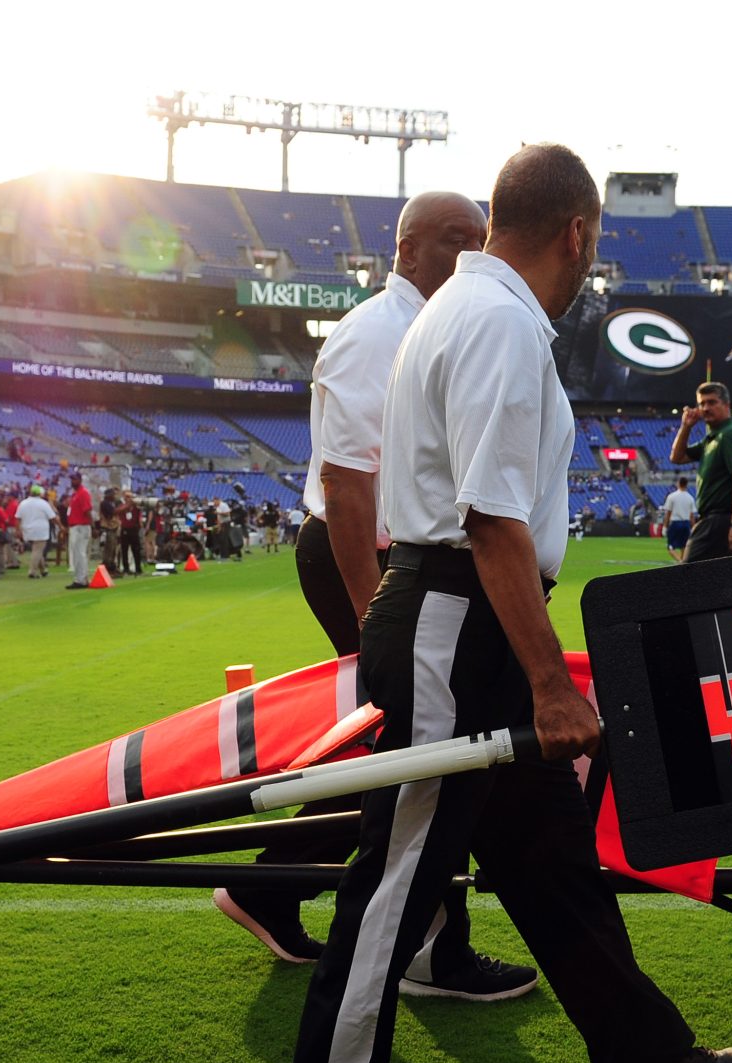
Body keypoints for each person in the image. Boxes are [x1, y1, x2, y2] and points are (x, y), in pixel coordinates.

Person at [271, 144, 732, 1063]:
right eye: (593, 243)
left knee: (548, 854)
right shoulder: (495, 321)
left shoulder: (459, 308)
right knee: (398, 874)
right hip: (459, 617)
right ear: (576, 231)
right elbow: (492, 520)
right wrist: (548, 678)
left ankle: (641, 1055)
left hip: (458, 612)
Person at [221, 188, 532, 1002]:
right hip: (366, 555)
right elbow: (347, 483)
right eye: (453, 239)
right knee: (410, 746)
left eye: (481, 238)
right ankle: (418, 940)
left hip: (402, 561)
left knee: (415, 750)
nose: (470, 252)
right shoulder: (376, 332)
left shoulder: (443, 321)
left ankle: (305, 895)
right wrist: (373, 620)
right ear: (405, 252)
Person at [669, 384, 732, 561]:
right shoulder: (712, 437)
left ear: (726, 405)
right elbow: (677, 457)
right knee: (720, 583)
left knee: (686, 578)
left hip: (719, 520)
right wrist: (686, 426)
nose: (706, 408)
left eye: (712, 402)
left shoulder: (729, 435)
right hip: (714, 520)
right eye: (702, 403)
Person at [15, 484, 58, 577]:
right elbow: (53, 517)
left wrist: (18, 530)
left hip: (27, 530)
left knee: (37, 550)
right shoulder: (43, 503)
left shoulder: (23, 503)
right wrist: (61, 526)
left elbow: (18, 518)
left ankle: (43, 570)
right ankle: (32, 571)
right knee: (37, 551)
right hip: (40, 531)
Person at [64, 472, 94, 588]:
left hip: (81, 526)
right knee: (77, 553)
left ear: (80, 480)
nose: (72, 482)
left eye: (75, 479)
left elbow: (87, 511)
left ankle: (80, 579)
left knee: (79, 553)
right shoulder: (76, 494)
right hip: (76, 526)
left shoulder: (83, 493)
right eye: (72, 479)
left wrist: (92, 526)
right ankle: (82, 578)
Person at [661, 476, 696, 561]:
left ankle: (680, 562)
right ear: (686, 484)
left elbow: (668, 513)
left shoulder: (672, 496)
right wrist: (694, 528)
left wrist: (665, 527)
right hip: (686, 524)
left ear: (678, 483)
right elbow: (692, 516)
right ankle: (682, 565)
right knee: (683, 547)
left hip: (675, 523)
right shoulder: (690, 498)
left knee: (670, 547)